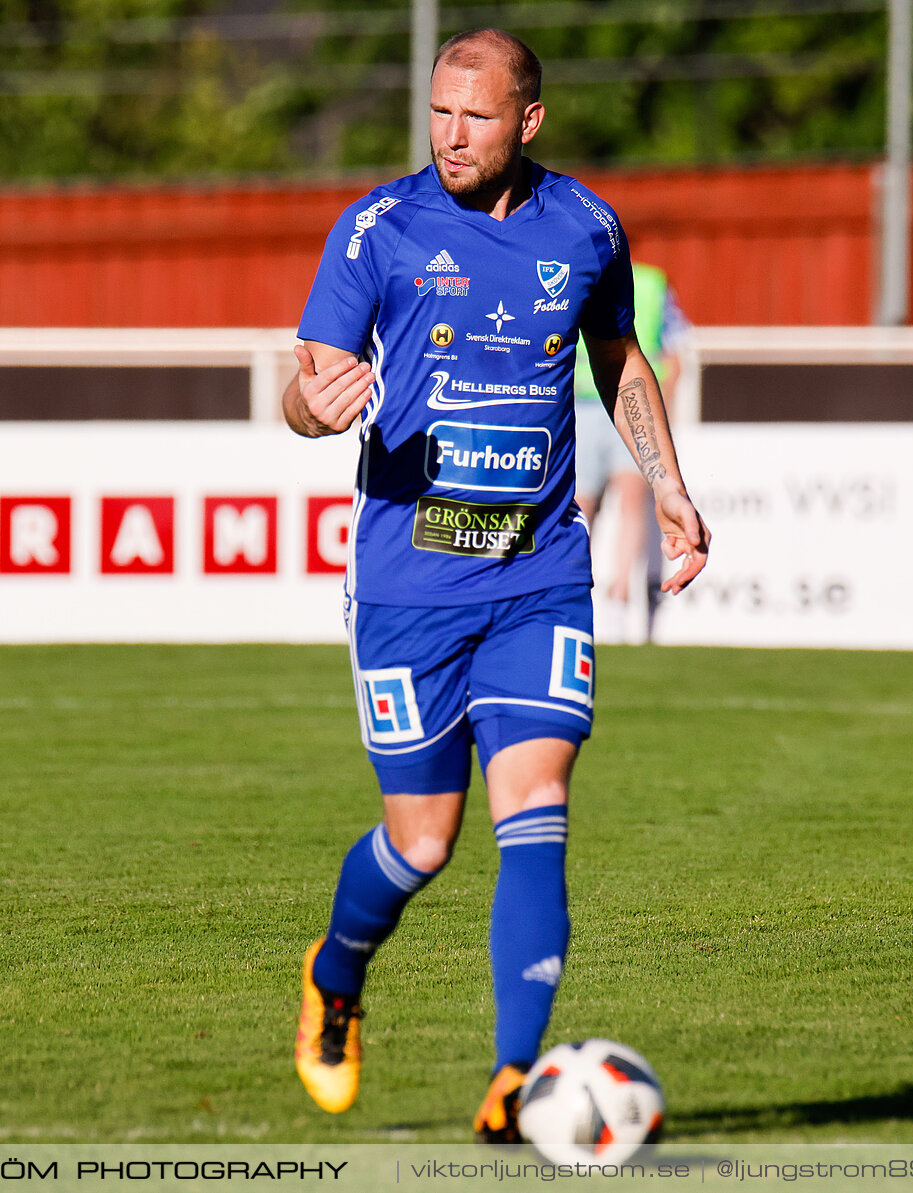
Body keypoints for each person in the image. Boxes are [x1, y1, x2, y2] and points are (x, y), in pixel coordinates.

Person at [283, 28, 710, 1141]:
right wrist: (307, 407)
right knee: (422, 842)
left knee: (537, 809)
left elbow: (616, 358)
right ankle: (335, 975)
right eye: (437, 112)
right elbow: (308, 382)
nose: (450, 135)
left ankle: (516, 1078)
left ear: (527, 121)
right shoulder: (378, 230)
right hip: (408, 588)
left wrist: (667, 486)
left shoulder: (587, 226)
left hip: (539, 578)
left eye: (473, 116)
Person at [574, 266, 692, 630]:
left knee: (587, 509)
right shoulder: (653, 283)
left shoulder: (584, 271)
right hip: (614, 406)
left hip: (598, 403)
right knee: (622, 507)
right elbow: (675, 355)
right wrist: (662, 417)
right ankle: (614, 599)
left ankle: (597, 598)